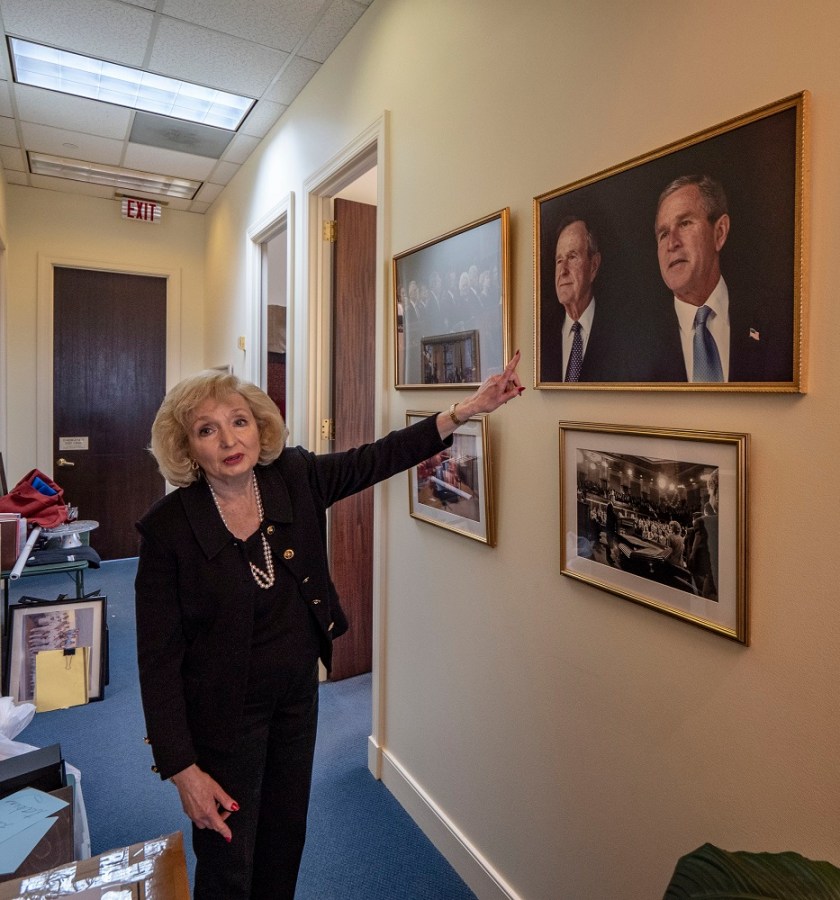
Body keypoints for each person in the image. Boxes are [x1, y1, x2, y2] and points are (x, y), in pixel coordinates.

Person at [133, 352, 524, 900]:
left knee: (285, 836)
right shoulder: (168, 531)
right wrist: (182, 770)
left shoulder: (293, 476)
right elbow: (157, 660)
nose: (228, 440)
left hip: (297, 698)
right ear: (187, 447)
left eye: (238, 421)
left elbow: (377, 458)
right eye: (207, 430)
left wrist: (466, 410)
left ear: (258, 426)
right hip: (223, 713)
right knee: (228, 853)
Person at [647, 174, 792, 383]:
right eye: (663, 234)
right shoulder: (636, 345)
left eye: (685, 223)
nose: (672, 243)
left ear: (720, 232)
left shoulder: (777, 320)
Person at [540, 216, 627, 382]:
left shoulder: (620, 333)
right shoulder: (542, 336)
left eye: (572, 257)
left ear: (593, 265)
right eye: (559, 260)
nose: (563, 270)